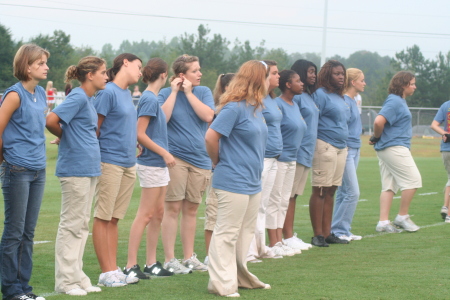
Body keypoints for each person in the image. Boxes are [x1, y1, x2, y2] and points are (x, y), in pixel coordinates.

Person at [205, 60, 271, 297]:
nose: (271, 80)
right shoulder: (233, 108)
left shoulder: (257, 108)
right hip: (232, 179)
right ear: (257, 78)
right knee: (226, 233)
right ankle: (221, 284)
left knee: (244, 234)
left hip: (253, 181)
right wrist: (218, 161)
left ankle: (240, 277)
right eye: (267, 76)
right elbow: (211, 137)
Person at [46, 56, 108, 296]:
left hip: (89, 168)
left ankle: (78, 276)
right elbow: (51, 120)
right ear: (90, 75)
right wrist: (66, 136)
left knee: (81, 225)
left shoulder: (89, 99)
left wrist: (68, 134)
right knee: (72, 225)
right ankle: (65, 282)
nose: (107, 76)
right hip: (75, 169)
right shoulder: (78, 96)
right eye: (103, 72)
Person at [0, 44, 49, 300]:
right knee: (14, 232)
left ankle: (24, 289)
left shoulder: (40, 93)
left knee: (28, 233)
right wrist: (4, 162)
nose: (46, 67)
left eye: (45, 62)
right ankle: (11, 291)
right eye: (40, 63)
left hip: (38, 170)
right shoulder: (14, 95)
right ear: (27, 66)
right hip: (17, 169)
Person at [159, 54, 214, 274]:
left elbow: (208, 115)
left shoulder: (203, 92)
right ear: (182, 75)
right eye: (195, 70)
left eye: (199, 70)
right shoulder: (165, 93)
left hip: (201, 159)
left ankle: (189, 257)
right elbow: (162, 119)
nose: (200, 73)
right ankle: (170, 259)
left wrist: (189, 92)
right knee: (172, 208)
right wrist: (174, 92)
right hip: (176, 158)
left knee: (192, 209)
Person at [92, 53, 142, 286]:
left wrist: (135, 142)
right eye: (138, 66)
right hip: (109, 161)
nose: (141, 72)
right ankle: (105, 273)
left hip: (127, 163)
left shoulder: (125, 94)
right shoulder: (107, 92)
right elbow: (94, 129)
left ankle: (113, 269)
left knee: (114, 219)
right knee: (103, 217)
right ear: (125, 63)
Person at [123, 58, 175, 279]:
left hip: (159, 164)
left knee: (158, 214)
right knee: (145, 215)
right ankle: (130, 265)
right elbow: (139, 132)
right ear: (164, 74)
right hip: (152, 164)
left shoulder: (153, 99)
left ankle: (151, 263)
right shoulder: (148, 99)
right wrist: (163, 152)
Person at [370, 71, 422, 232]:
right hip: (394, 147)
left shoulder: (398, 101)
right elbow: (379, 121)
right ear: (403, 85)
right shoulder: (395, 101)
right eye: (412, 83)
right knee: (413, 180)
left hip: (389, 148)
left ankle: (383, 223)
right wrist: (376, 137)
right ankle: (402, 217)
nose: (415, 86)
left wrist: (377, 138)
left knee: (389, 186)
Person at [247, 60, 287, 262]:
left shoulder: (271, 99)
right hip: (261, 157)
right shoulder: (255, 99)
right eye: (274, 73)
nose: (278, 76)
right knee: (254, 205)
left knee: (263, 205)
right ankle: (249, 250)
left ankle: (260, 246)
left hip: (274, 157)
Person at [265, 70, 306, 256]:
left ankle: (280, 240)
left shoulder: (295, 104)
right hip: (279, 158)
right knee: (274, 200)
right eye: (298, 80)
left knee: (283, 201)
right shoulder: (277, 104)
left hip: (292, 158)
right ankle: (274, 241)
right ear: (288, 85)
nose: (302, 83)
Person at [310, 60, 350, 247]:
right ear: (327, 75)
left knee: (332, 190)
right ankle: (317, 234)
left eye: (342, 73)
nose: (341, 76)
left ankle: (327, 233)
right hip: (325, 145)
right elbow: (313, 121)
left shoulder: (340, 96)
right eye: (336, 73)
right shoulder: (320, 95)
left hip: (341, 147)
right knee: (320, 189)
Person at [282, 59, 318, 251]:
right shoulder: (296, 98)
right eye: (310, 72)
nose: (313, 75)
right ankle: (285, 236)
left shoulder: (309, 96)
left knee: (294, 195)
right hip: (296, 151)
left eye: (315, 72)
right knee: (288, 195)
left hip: (306, 152)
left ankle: (289, 235)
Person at [331, 68, 365, 241]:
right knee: (353, 192)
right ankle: (339, 230)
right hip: (347, 149)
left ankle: (341, 230)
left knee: (344, 192)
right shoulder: (344, 101)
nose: (364, 83)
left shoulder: (353, 100)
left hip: (355, 148)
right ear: (353, 82)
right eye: (362, 80)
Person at [204, 73, 234, 266]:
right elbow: (210, 137)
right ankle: (210, 255)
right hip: (218, 169)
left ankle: (225, 256)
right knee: (213, 214)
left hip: (231, 170)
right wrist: (216, 160)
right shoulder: (221, 111)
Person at [431, 101, 450, 223]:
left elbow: (434, 125)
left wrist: (445, 134)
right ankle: (448, 214)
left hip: (446, 149)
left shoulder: (446, 105)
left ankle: (445, 206)